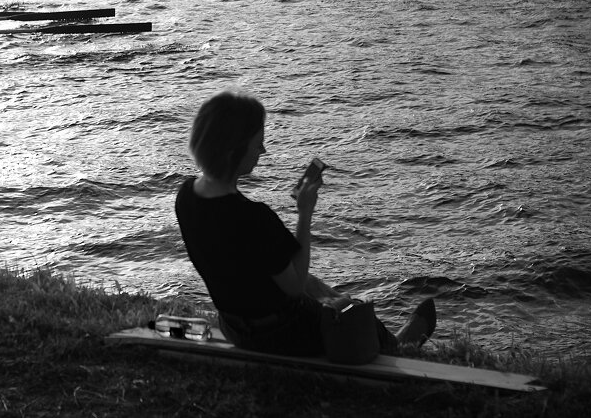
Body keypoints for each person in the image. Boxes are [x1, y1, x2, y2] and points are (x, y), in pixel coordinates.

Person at [175, 90, 437, 356]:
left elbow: (251, 267)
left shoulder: (186, 196)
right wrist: (305, 213)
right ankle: (398, 347)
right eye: (257, 144)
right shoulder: (253, 217)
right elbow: (295, 286)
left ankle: (385, 337)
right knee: (350, 307)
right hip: (278, 333)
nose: (262, 151)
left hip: (233, 325)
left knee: (321, 289)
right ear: (234, 151)